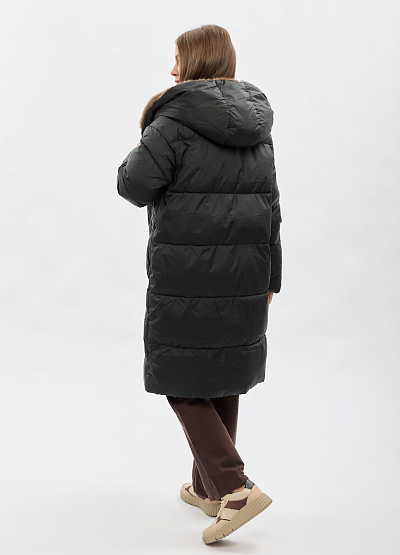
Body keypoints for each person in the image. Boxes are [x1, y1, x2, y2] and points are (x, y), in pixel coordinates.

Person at [117, 24, 282, 544]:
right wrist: (273, 277)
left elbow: (133, 185)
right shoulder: (258, 124)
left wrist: (147, 130)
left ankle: (234, 488)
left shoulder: (173, 120)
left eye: (177, 59)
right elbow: (272, 206)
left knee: (181, 376)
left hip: (188, 274)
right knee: (222, 372)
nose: (171, 70)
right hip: (248, 273)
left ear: (196, 62)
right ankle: (209, 489)